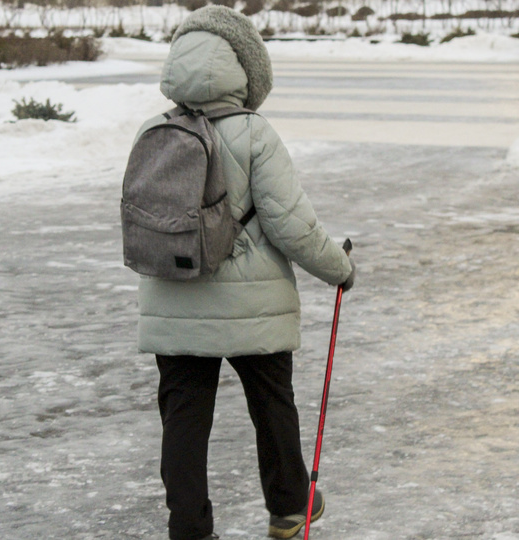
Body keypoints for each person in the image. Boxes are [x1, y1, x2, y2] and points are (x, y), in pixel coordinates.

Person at [131, 6, 356, 540]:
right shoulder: (254, 133)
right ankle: (289, 507)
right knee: (272, 404)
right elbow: (292, 225)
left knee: (183, 419)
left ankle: (188, 526)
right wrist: (340, 268)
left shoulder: (154, 130)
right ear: (246, 70)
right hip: (252, 303)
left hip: (175, 296)